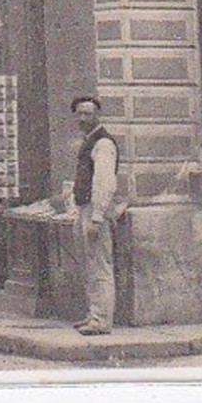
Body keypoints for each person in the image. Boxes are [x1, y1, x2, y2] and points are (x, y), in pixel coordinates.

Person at [70, 95, 121, 336]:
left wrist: (97, 217)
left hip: (94, 209)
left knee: (99, 265)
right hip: (85, 208)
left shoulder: (103, 143)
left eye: (88, 114)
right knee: (90, 264)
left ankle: (101, 320)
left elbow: (104, 182)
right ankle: (94, 314)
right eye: (80, 114)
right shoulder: (88, 141)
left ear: (98, 115)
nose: (83, 118)